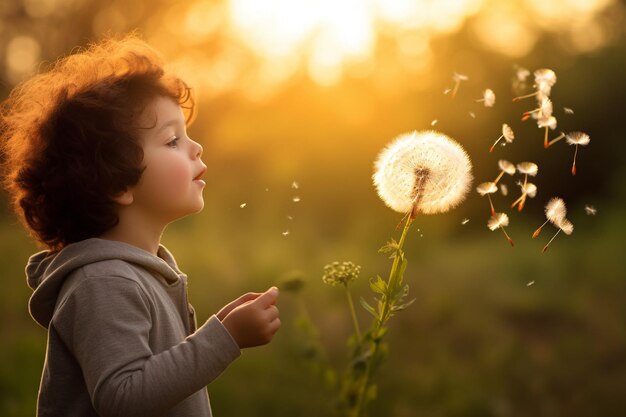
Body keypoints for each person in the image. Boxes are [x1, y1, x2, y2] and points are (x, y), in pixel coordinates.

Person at [0, 34, 281, 417]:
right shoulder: (103, 282)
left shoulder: (138, 273)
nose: (195, 148)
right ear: (119, 183)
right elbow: (123, 397)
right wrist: (225, 338)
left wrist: (217, 327)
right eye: (172, 141)